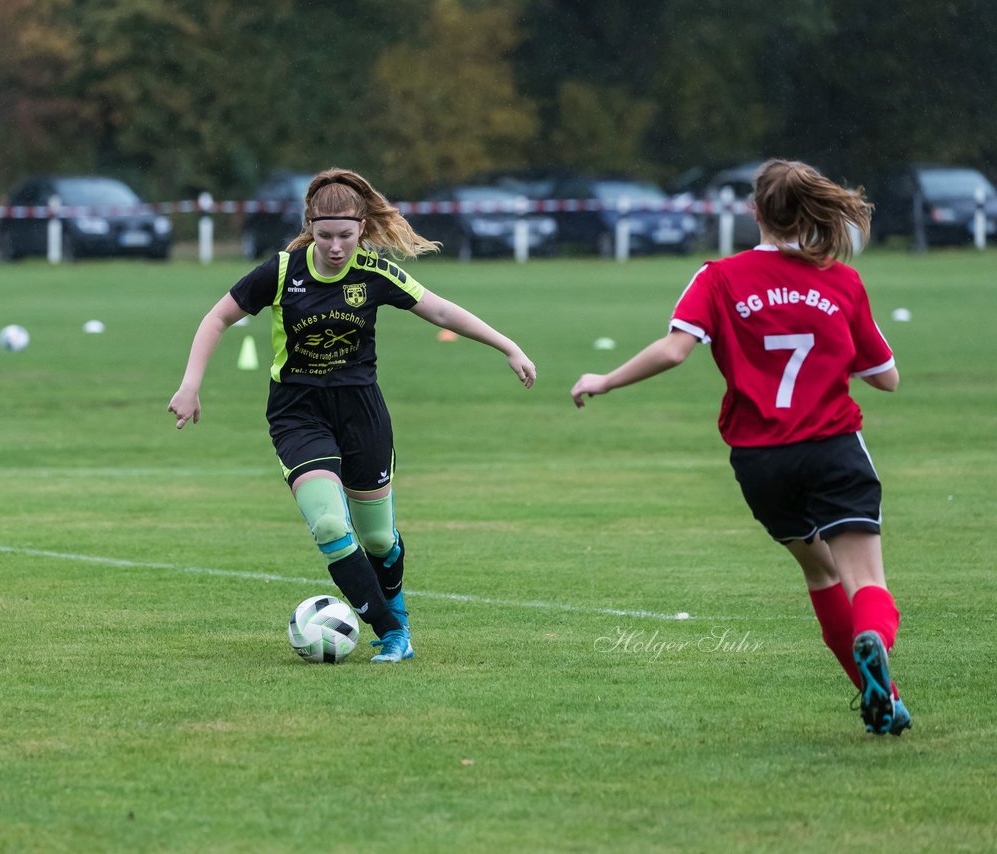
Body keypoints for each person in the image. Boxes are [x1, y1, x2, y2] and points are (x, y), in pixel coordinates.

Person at [570, 158, 911, 735]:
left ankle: (887, 702)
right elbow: (886, 378)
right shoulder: (841, 279)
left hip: (761, 460)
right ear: (809, 212)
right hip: (832, 447)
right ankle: (872, 640)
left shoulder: (718, 277)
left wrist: (603, 380)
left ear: (753, 211)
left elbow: (675, 350)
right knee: (866, 584)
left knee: (822, 576)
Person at [168, 167, 537, 663]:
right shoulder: (282, 271)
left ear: (362, 228)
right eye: (325, 236)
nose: (336, 246)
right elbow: (218, 317)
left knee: (379, 538)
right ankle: (391, 633)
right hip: (298, 411)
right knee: (328, 525)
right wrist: (191, 384)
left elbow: (443, 312)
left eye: (346, 235)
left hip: (361, 410)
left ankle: (396, 611)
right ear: (310, 229)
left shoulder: (375, 272)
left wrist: (508, 346)